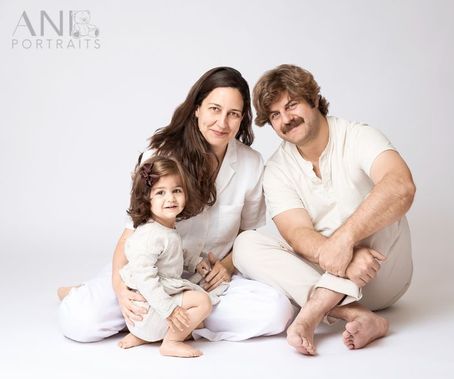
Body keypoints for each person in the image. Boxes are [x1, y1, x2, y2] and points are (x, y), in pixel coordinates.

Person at [57, 67, 294, 343]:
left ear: (242, 119)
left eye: (234, 114)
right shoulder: (162, 154)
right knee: (80, 321)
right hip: (151, 275)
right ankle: (96, 296)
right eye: (214, 109)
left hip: (205, 281)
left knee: (277, 312)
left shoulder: (251, 163)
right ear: (196, 109)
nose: (222, 122)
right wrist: (120, 288)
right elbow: (132, 230)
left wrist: (227, 266)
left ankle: (163, 326)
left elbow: (248, 237)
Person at [233, 64, 415, 355]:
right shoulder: (277, 168)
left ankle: (312, 313)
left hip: (381, 273)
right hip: (335, 272)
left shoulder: (358, 136)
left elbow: (402, 186)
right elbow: (297, 232)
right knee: (244, 245)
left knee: (386, 203)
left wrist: (346, 241)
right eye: (275, 115)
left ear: (313, 99)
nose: (286, 119)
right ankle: (357, 315)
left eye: (291, 105)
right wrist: (341, 257)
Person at [119, 156, 217, 357]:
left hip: (143, 319)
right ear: (147, 198)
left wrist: (195, 262)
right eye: (160, 192)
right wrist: (169, 310)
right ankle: (170, 342)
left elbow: (173, 254)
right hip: (144, 312)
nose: (171, 198)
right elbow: (145, 279)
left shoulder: (164, 228)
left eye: (177, 191)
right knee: (203, 303)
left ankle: (144, 337)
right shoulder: (150, 236)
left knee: (198, 313)